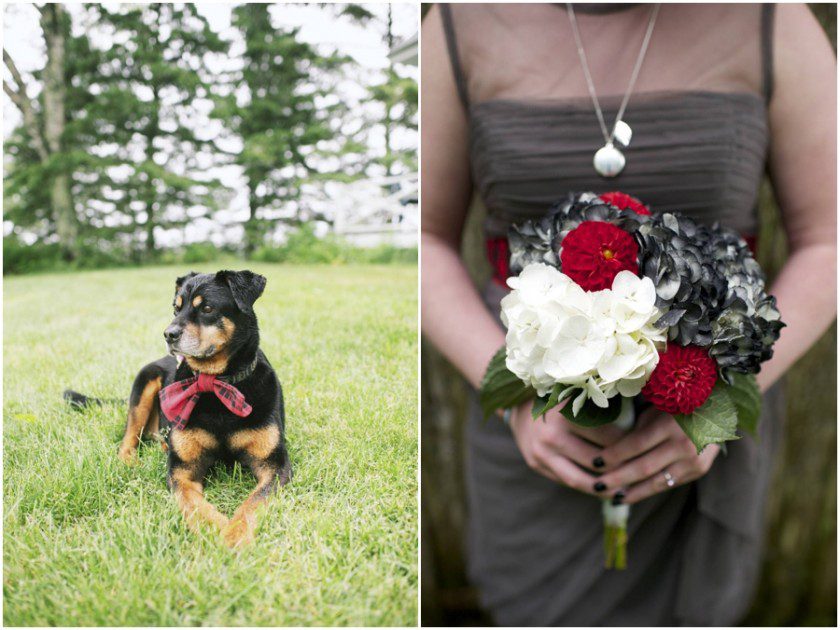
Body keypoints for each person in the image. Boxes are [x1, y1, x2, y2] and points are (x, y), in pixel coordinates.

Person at [421, 3, 836, 626]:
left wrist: (719, 404)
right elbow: (424, 239)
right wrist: (509, 397)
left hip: (702, 435)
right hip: (539, 430)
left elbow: (829, 239)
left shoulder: (770, 16)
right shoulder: (460, 21)